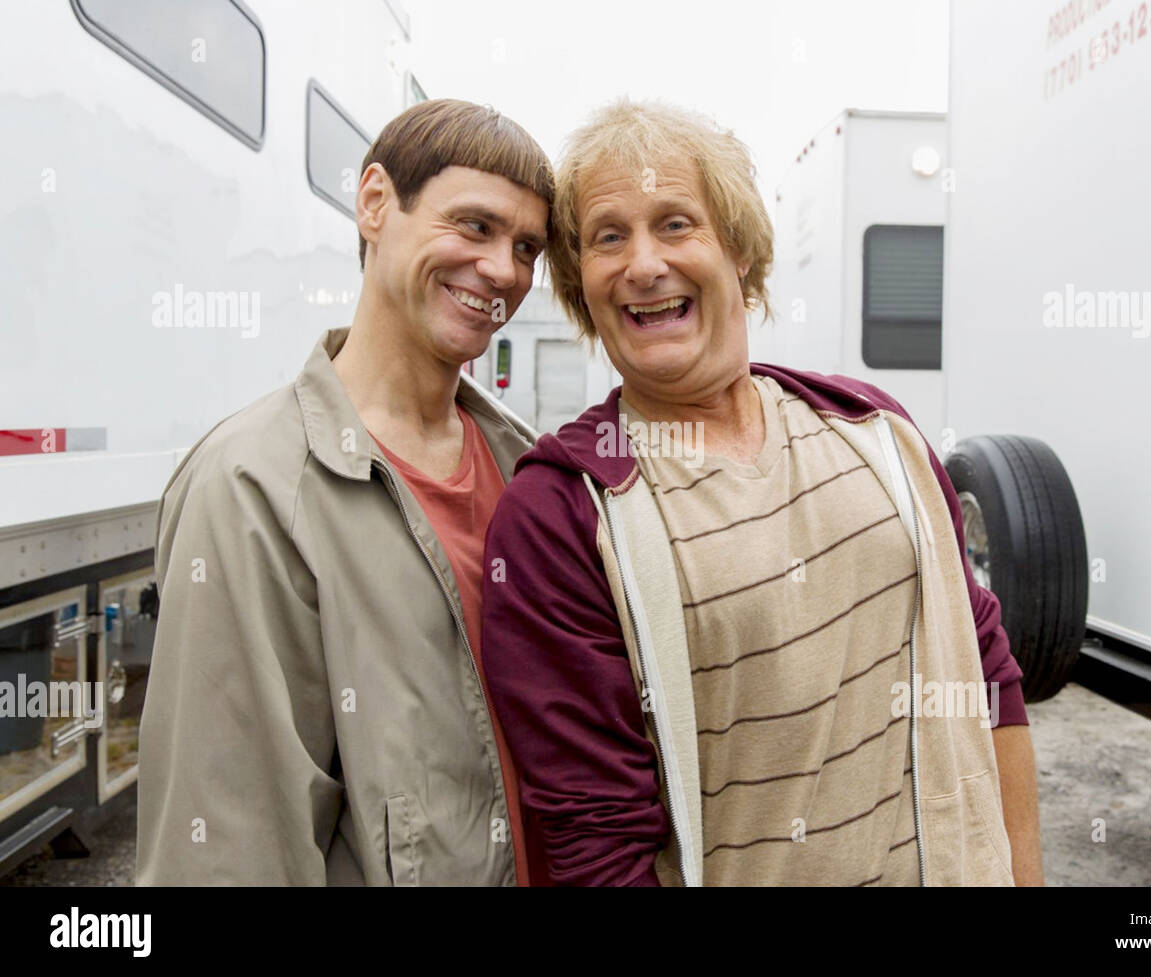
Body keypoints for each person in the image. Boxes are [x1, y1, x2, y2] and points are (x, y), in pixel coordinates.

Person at [480, 99, 1044, 886]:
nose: (643, 263)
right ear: (583, 287)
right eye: (609, 237)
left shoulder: (877, 431)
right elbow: (594, 841)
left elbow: (986, 670)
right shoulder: (563, 513)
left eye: (676, 224)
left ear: (738, 250)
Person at [136, 99, 551, 884]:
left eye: (527, 246)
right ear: (373, 203)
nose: (502, 270)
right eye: (473, 225)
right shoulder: (252, 485)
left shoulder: (526, 468)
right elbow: (228, 845)